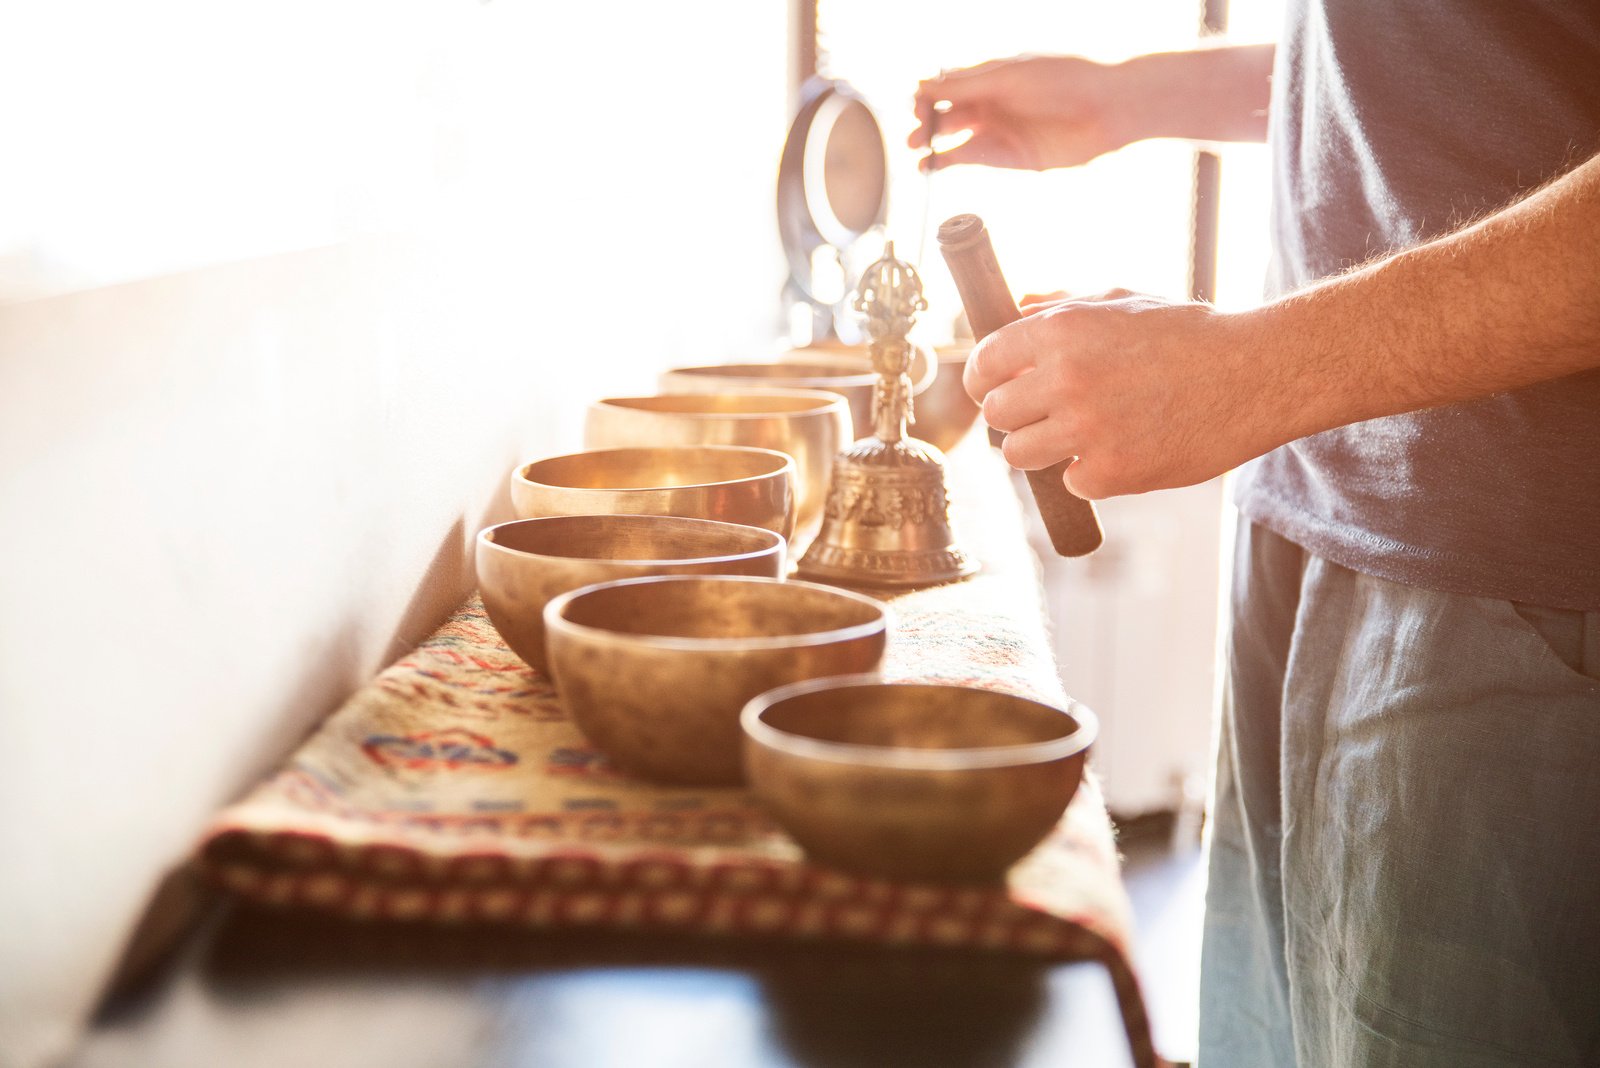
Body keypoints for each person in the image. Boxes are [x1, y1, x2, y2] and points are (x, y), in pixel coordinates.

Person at [910, 7, 1600, 1067]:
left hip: (1524, 591)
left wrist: (1252, 368)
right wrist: (1125, 97)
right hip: (1308, 527)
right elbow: (1446, 55)